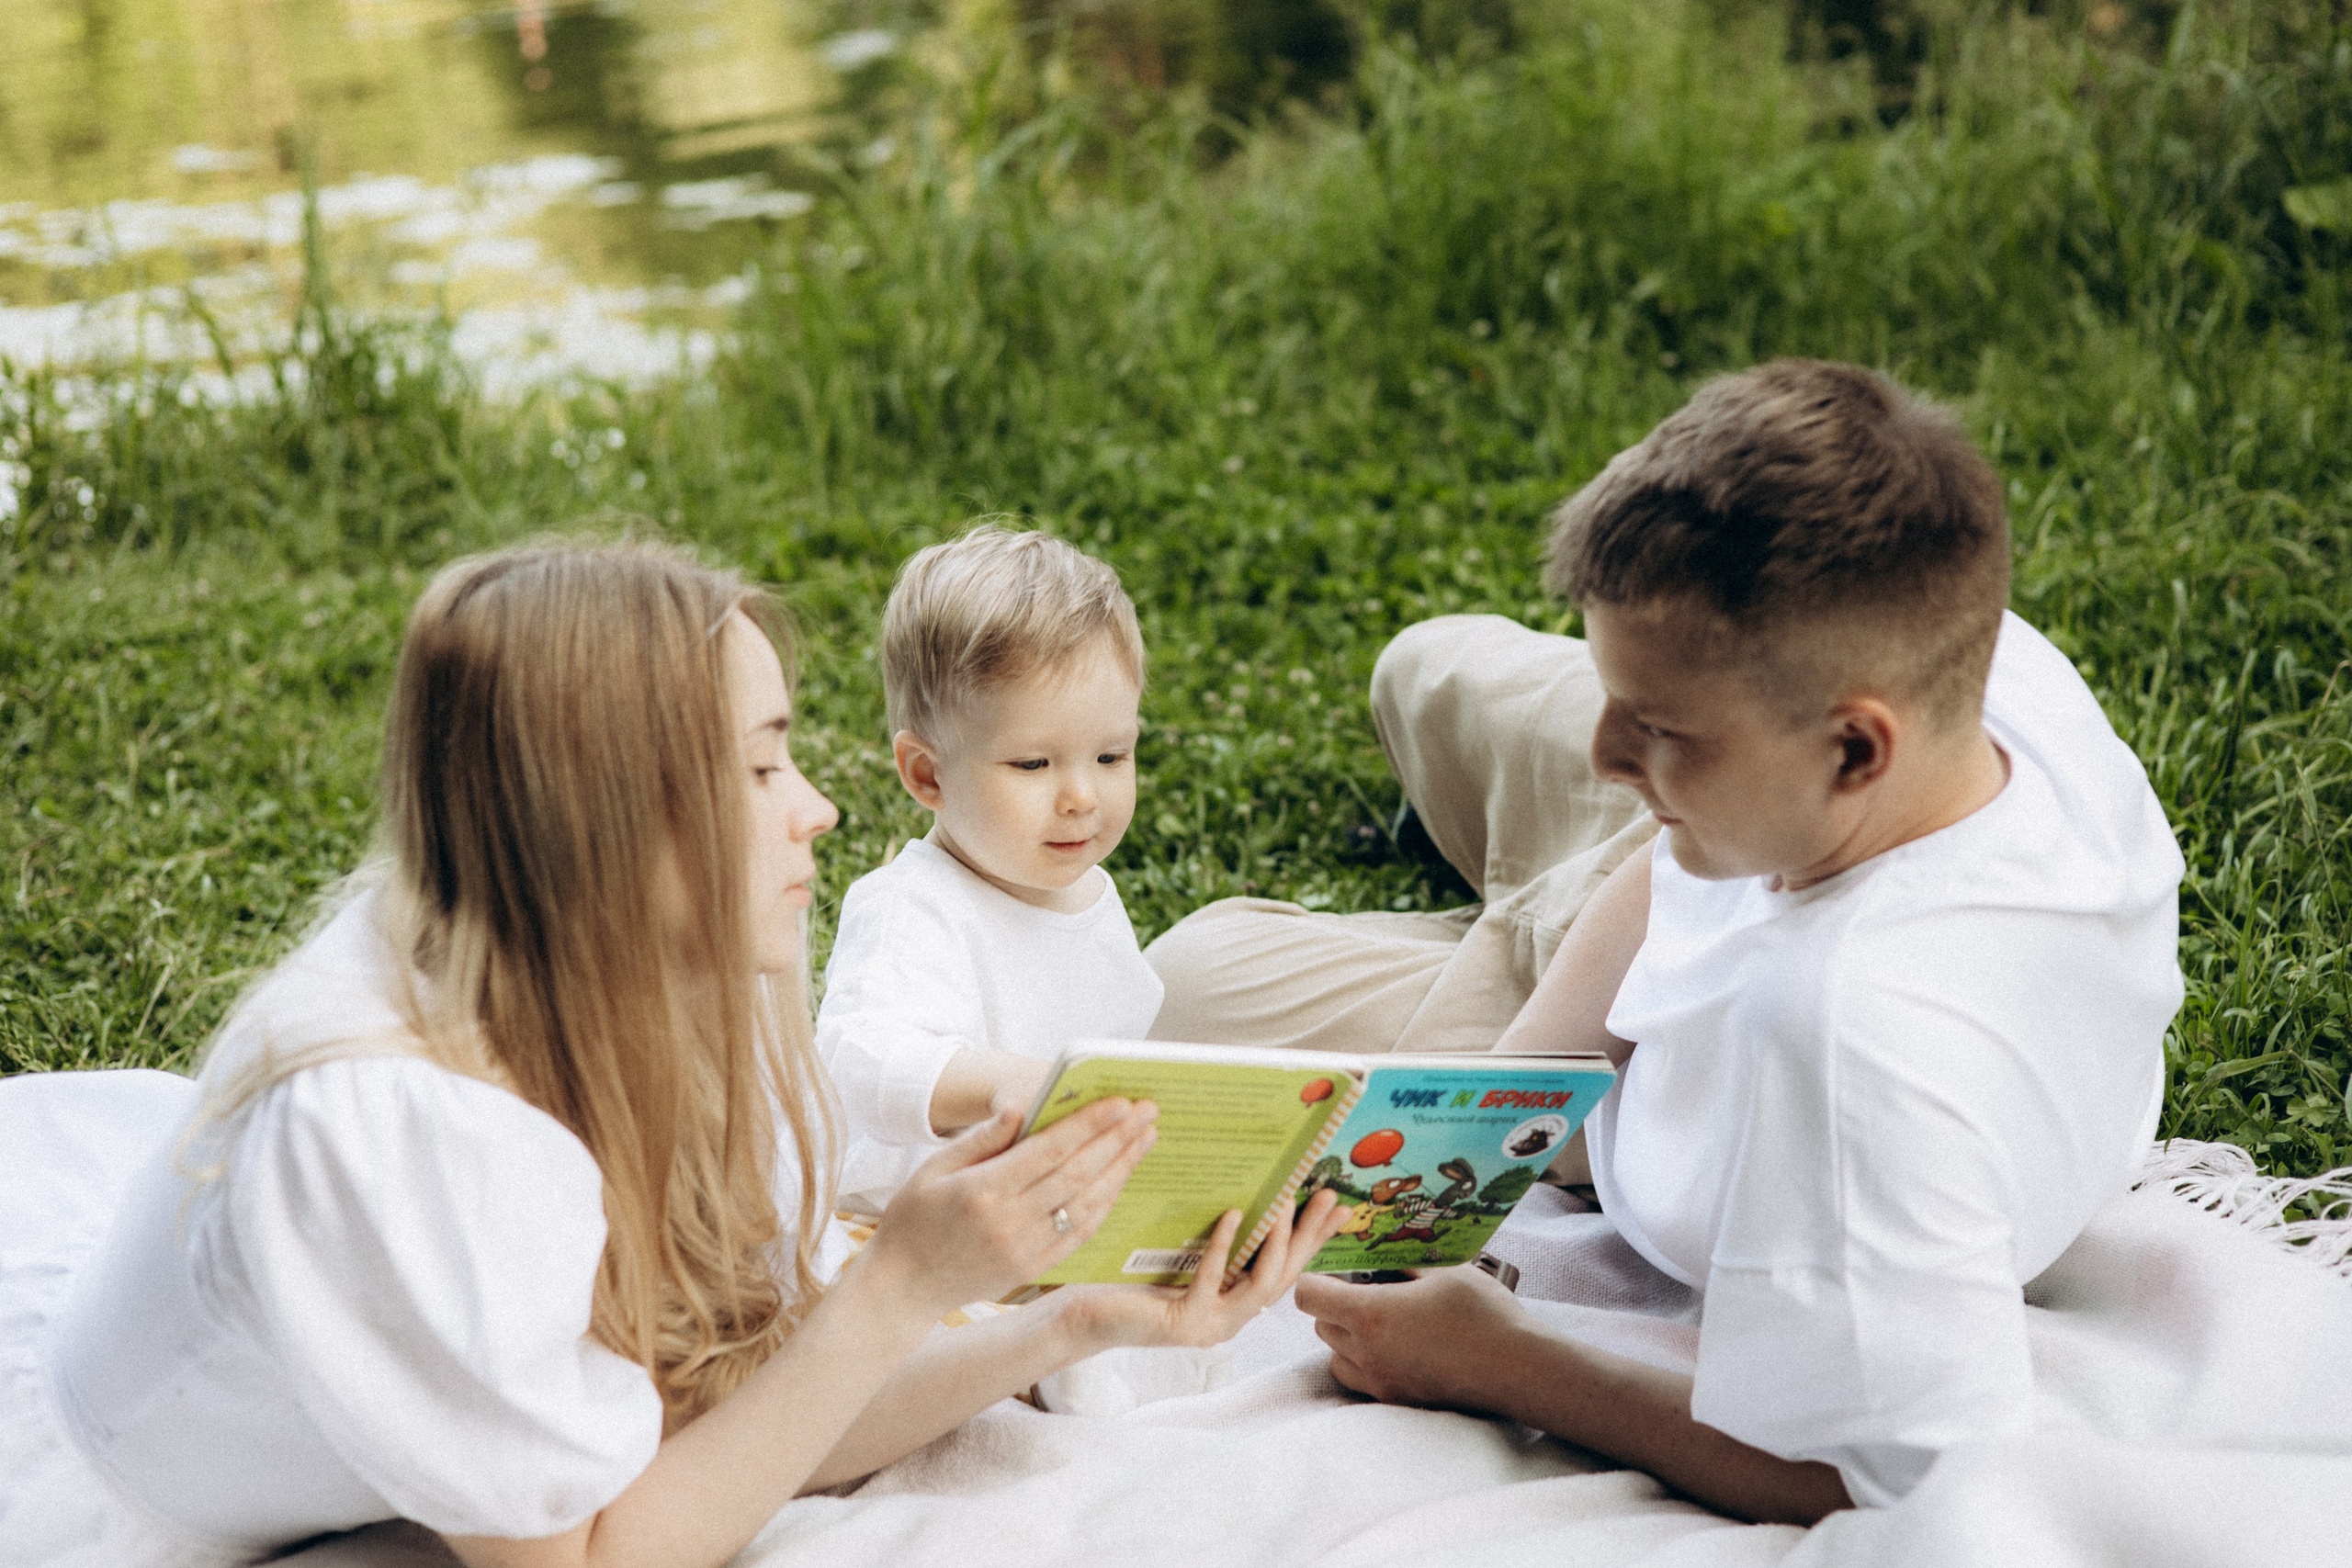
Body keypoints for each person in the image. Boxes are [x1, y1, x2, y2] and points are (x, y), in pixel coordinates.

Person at [0, 541, 1347, 1568]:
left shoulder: (619, 967)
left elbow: (747, 1404)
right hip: (157, 1457)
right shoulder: (406, 1135)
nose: (818, 808)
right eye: (762, 770)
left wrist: (1074, 1314)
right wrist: (895, 1286)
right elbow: (589, 1553)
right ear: (610, 822)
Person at [1172, 361, 2183, 1522]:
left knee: (1192, 981)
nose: (1605, 748)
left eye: (1649, 724)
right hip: (1687, 858)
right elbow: (1659, 861)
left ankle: (1487, 910)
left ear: (1858, 751)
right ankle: (1513, 861)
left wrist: (1498, 1359)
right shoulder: (1970, 666)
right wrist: (1490, 1106)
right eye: (1613, 695)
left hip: (1644, 1067)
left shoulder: (1859, 1056)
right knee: (1424, 665)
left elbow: (1899, 1484)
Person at [818, 526, 1159, 1218]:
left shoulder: (1089, 893)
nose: (1082, 796)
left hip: (1053, 1216)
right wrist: (1003, 1082)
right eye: (1033, 764)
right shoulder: (912, 908)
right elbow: (858, 1059)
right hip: (912, 1233)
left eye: (1111, 756)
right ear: (927, 773)